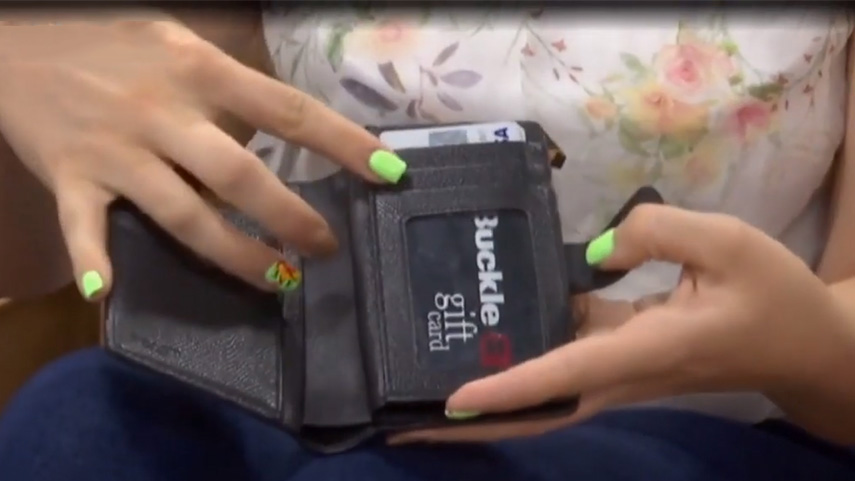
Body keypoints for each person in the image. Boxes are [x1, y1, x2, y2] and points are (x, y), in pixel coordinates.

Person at [1, 4, 855, 480]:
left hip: (726, 413)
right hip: (294, 353)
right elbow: (31, 257)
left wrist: (800, 340)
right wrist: (20, 66)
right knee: (74, 424)